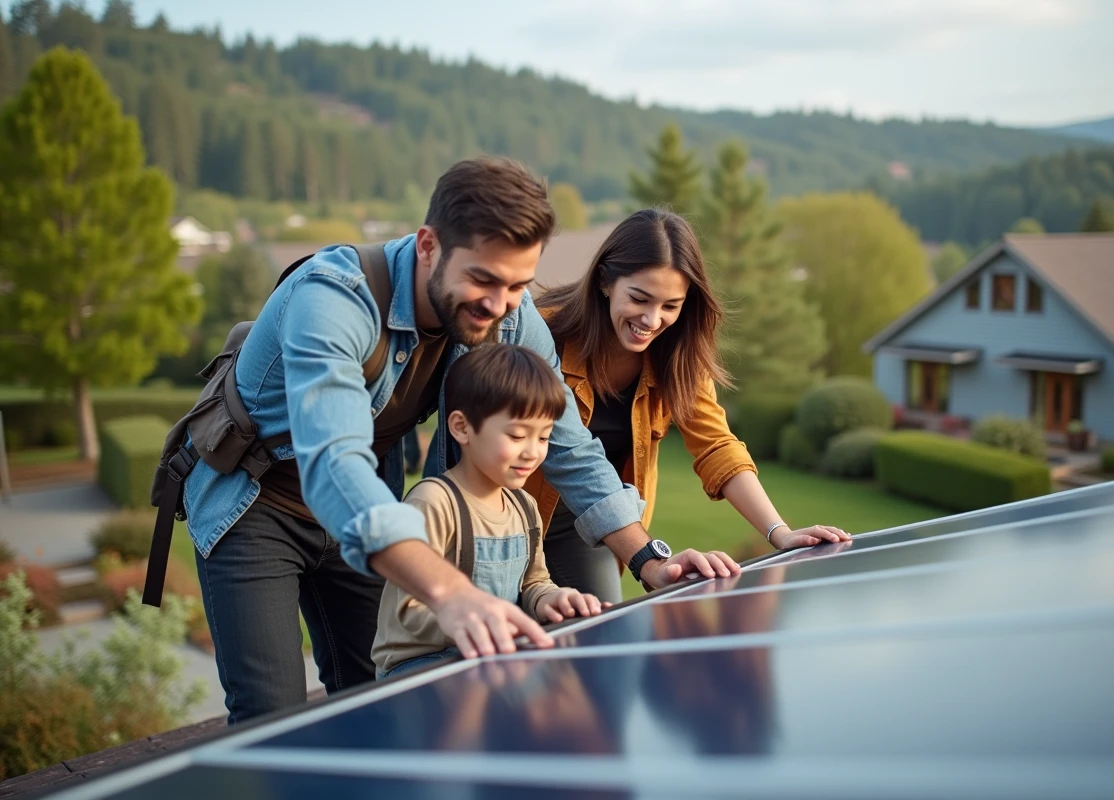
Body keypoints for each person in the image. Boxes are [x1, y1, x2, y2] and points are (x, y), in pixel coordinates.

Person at [183, 158, 738, 724]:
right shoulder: (332, 299)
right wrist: (450, 592)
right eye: (484, 280)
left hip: (370, 513)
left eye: (518, 285)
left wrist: (647, 560)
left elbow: (569, 442)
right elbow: (334, 463)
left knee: (377, 707)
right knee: (271, 721)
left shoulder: (511, 314)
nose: (500, 304)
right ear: (429, 245)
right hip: (258, 506)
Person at [526, 208, 851, 603]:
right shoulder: (542, 334)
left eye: (670, 305)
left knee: (599, 623)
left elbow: (717, 446)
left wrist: (779, 533)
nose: (651, 319)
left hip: (596, 523)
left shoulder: (679, 359)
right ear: (605, 282)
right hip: (510, 512)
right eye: (640, 298)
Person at [374, 344, 609, 679]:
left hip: (490, 657)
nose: (532, 452)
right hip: (420, 668)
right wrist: (476, 622)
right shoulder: (433, 502)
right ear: (462, 427)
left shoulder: (525, 506)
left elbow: (533, 582)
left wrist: (552, 599)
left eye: (543, 438)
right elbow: (409, 610)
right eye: (517, 435)